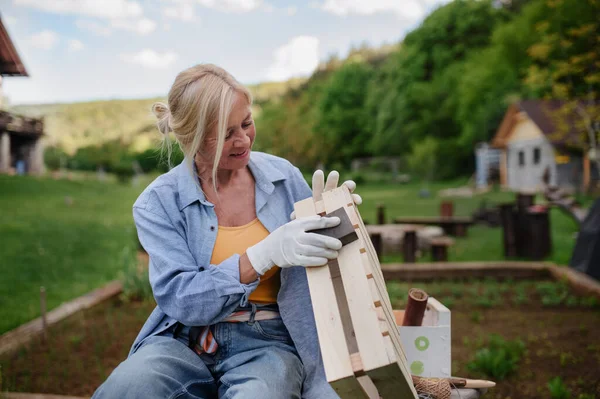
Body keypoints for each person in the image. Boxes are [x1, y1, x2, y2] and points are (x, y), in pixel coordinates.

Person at [92, 64, 361, 399]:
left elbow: (328, 261)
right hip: (183, 340)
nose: (243, 139)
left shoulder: (283, 178)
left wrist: (338, 221)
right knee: (126, 389)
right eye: (225, 134)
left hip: (268, 341)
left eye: (247, 123)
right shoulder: (158, 203)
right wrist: (262, 255)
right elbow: (181, 298)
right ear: (189, 138)